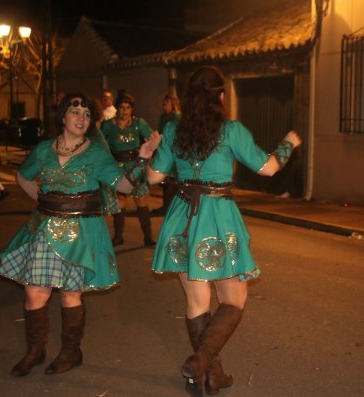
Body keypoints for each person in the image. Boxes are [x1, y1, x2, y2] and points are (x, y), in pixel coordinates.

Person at [146, 66, 301, 396]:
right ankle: (202, 363)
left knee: (196, 299)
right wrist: (287, 144)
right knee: (234, 299)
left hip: (182, 216)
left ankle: (208, 376)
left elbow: (153, 179)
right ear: (219, 95)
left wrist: (150, 153)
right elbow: (268, 167)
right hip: (217, 216)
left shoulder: (174, 129)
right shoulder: (231, 131)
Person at [0, 92, 160, 377]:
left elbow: (123, 186)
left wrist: (142, 157)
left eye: (87, 114)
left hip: (81, 231)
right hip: (44, 228)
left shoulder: (96, 153)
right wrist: (43, 200)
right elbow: (23, 176)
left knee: (70, 294)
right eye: (75, 112)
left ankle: (71, 352)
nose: (81, 118)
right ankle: (35, 350)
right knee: (35, 291)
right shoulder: (44, 149)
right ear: (62, 117)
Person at [101, 92, 157, 247]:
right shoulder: (108, 126)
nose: (124, 111)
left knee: (141, 200)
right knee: (121, 201)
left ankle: (148, 237)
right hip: (117, 167)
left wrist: (149, 152)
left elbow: (152, 138)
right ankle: (118, 236)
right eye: (121, 107)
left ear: (132, 109)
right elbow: (99, 144)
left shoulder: (139, 123)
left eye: (128, 107)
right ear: (117, 108)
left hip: (136, 166)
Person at [152, 93, 181, 216]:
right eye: (163, 104)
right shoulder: (164, 117)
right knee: (166, 180)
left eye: (166, 104)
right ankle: (167, 206)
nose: (164, 106)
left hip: (173, 150)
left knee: (172, 181)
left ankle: (170, 207)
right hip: (164, 149)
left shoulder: (177, 118)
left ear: (173, 104)